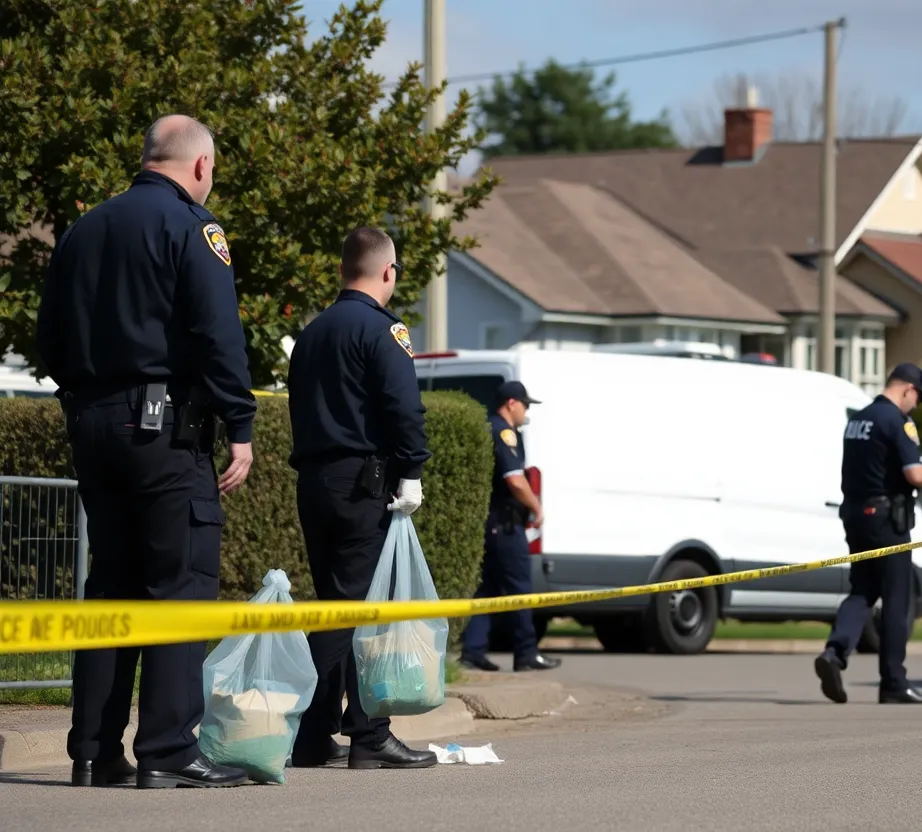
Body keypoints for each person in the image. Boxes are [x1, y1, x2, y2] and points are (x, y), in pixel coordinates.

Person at [35, 115, 257, 789]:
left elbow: (48, 340)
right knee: (178, 582)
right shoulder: (192, 227)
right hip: (163, 430)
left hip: (92, 423)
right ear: (200, 166)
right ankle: (168, 750)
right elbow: (217, 333)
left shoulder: (83, 230)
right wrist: (241, 422)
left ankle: (93, 751)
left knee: (111, 586)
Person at [286, 226, 437, 770]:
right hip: (361, 486)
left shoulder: (312, 333)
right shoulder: (383, 330)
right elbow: (404, 408)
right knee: (359, 611)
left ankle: (314, 735)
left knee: (336, 606)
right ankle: (369, 736)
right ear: (388, 272)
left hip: (315, 482)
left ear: (341, 269)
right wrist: (412, 470)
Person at [814, 363, 922, 706]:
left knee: (863, 590)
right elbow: (914, 474)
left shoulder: (858, 419)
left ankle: (834, 653)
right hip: (887, 521)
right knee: (898, 600)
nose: (916, 406)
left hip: (855, 516)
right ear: (908, 390)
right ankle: (894, 683)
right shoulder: (897, 422)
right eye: (917, 398)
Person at [459, 381, 562, 673]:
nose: (526, 411)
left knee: (487, 589)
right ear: (512, 403)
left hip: (491, 524)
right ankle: (526, 653)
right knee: (519, 588)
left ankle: (473, 651)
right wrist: (536, 507)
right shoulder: (504, 432)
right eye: (525, 405)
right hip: (505, 526)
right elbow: (515, 480)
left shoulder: (488, 427)